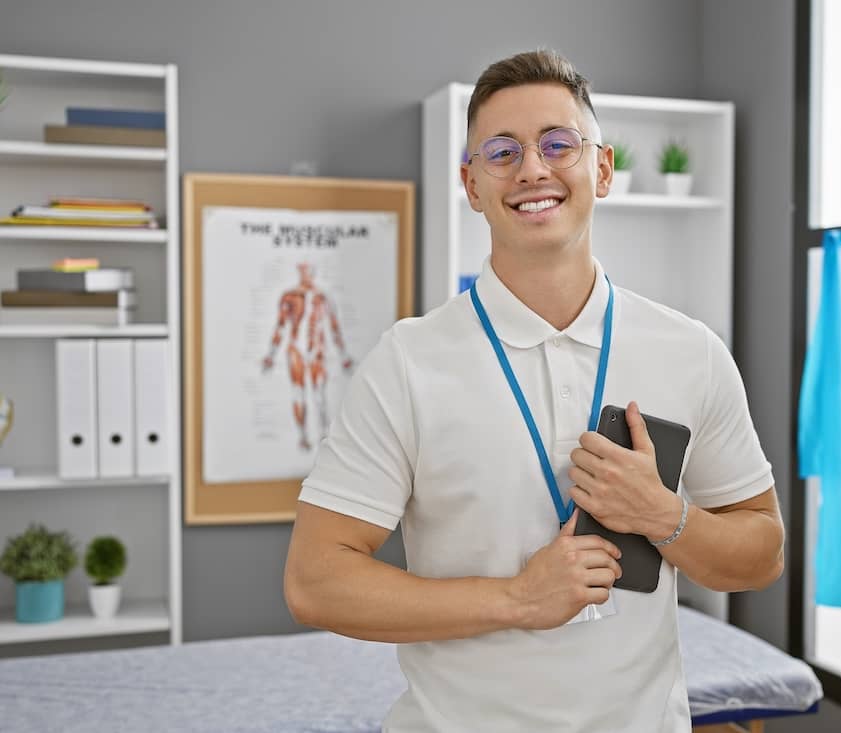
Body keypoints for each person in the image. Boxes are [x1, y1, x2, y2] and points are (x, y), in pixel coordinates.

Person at [284, 49, 784, 732]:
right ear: (471, 184)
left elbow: (762, 552)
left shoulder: (691, 350)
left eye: (559, 144)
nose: (533, 169)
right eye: (502, 151)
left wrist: (665, 517)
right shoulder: (408, 362)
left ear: (602, 169)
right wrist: (519, 598)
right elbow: (315, 580)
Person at [261, 261, 354, 450]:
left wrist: (343, 355)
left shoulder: (323, 297)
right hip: (296, 350)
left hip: (316, 349)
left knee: (319, 393)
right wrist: (271, 354)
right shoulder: (290, 296)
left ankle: (323, 435)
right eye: (304, 271)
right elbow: (280, 326)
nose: (307, 274)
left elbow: (334, 326)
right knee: (299, 393)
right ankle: (303, 436)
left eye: (309, 271)